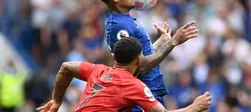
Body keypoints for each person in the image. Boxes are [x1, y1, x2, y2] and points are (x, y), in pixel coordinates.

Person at [96, 0, 198, 111]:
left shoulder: (125, 20)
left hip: (148, 92)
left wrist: (163, 42)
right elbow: (140, 66)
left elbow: (141, 56)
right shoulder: (120, 26)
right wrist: (173, 42)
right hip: (140, 97)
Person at [36, 37, 211, 112]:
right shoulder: (134, 86)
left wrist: (57, 99)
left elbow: (66, 67)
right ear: (138, 60)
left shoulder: (98, 70)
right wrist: (194, 107)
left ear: (114, 57)